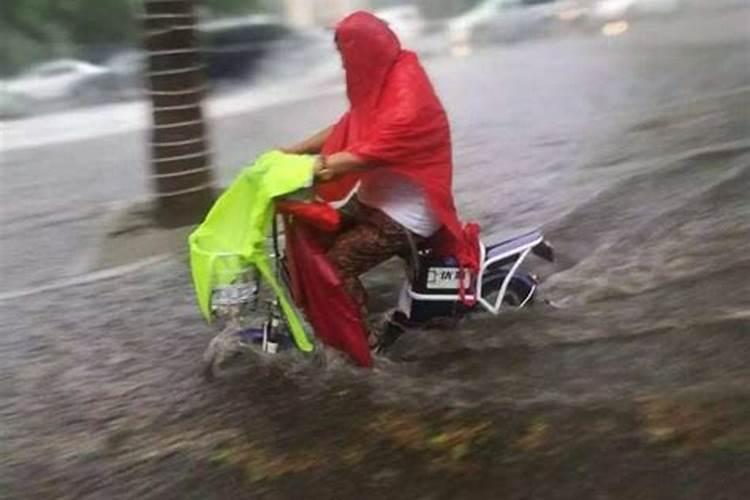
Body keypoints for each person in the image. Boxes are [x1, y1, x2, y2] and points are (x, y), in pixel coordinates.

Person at [282, 11, 476, 347]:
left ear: (365, 51)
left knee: (335, 268)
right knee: (304, 240)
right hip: (373, 202)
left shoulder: (407, 95)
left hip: (407, 215)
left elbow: (367, 151)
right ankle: (324, 322)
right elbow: (350, 125)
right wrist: (291, 152)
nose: (344, 67)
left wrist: (316, 167)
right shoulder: (381, 80)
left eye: (346, 57)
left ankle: (360, 345)